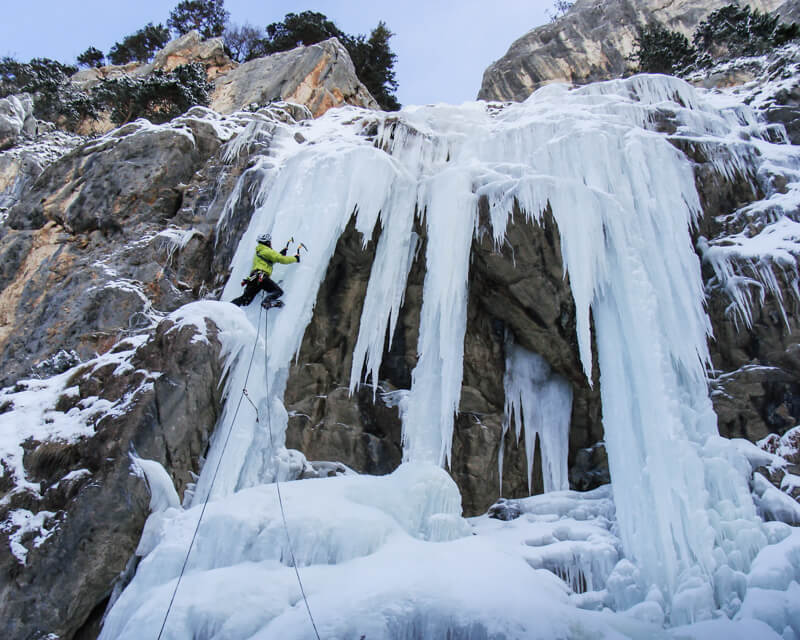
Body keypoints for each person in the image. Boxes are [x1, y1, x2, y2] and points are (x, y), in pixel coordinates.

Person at [232, 233, 300, 308]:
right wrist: (295, 258)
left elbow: (268, 261)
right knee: (278, 292)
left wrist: (280, 253)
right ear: (267, 242)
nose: (271, 244)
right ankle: (267, 302)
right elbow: (282, 259)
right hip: (261, 276)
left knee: (245, 300)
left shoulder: (259, 251)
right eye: (270, 242)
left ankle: (228, 307)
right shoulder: (267, 250)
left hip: (253, 277)